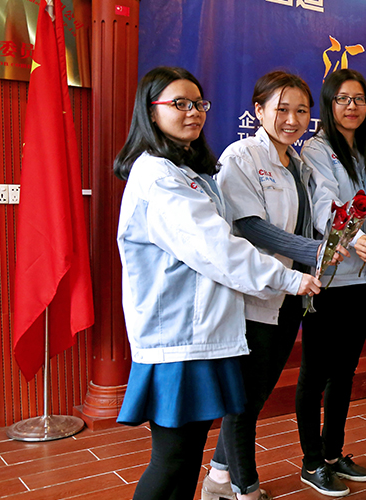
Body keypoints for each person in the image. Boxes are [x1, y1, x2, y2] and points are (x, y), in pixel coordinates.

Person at [113, 66, 321, 500]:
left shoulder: (186, 170)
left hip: (203, 331)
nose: (193, 112)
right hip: (178, 335)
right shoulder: (159, 177)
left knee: (188, 456)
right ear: (151, 112)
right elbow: (218, 248)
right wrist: (287, 276)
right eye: (179, 104)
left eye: (198, 104)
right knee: (171, 459)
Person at [202, 71, 348, 500]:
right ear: (259, 110)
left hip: (288, 295)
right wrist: (314, 250)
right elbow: (249, 225)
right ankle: (246, 489)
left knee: (257, 393)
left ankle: (218, 478)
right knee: (244, 399)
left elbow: (306, 221)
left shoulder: (297, 163)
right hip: (253, 295)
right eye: (281, 109)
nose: (292, 119)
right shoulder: (242, 156)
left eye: (301, 111)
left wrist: (328, 245)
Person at [296, 68, 366, 497]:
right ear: (329, 105)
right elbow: (324, 204)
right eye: (343, 98)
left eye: (359, 99)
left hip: (364, 279)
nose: (352, 106)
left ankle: (333, 454)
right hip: (329, 278)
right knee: (315, 372)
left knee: (344, 371)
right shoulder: (317, 148)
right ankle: (311, 461)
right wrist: (353, 234)